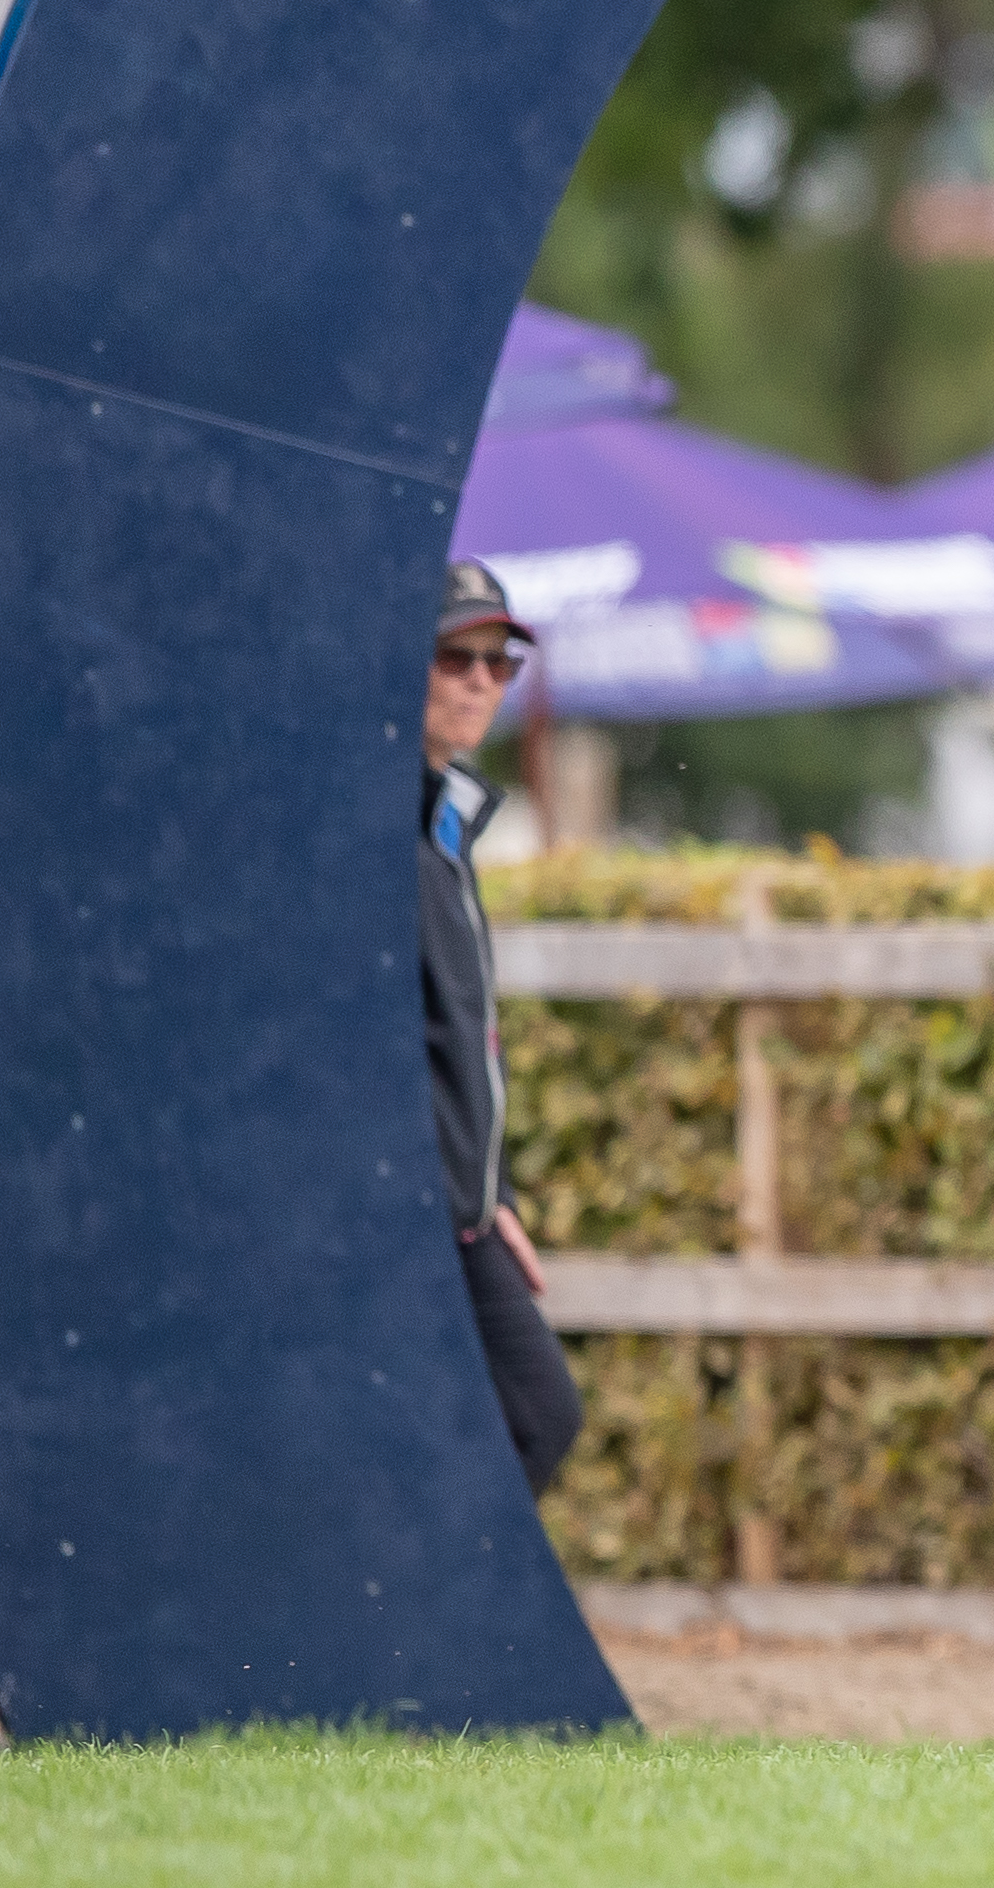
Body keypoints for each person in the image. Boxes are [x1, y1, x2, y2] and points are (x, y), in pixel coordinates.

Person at [423, 559, 580, 1494]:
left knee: (539, 1417)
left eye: (502, 662)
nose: (484, 681)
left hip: (466, 1215)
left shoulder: (448, 823)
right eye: (458, 659)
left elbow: (459, 1045)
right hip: (406, 1215)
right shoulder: (379, 832)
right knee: (521, 1420)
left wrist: (496, 1190)